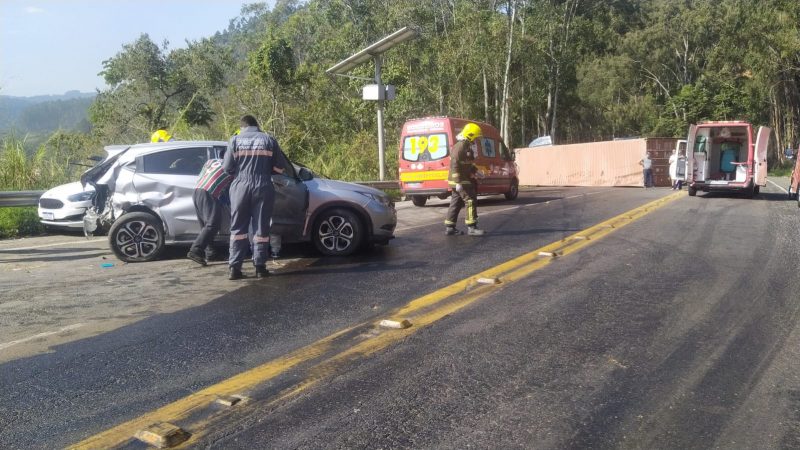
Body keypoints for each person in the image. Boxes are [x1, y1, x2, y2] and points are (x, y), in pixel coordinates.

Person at [223, 115, 285, 280]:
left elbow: (227, 168)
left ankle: (234, 269)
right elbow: (280, 168)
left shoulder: (234, 140)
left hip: (240, 186)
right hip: (263, 186)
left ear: (242, 127)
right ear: (257, 125)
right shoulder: (269, 140)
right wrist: (264, 171)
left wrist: (240, 172)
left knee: (238, 229)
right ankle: (260, 267)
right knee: (261, 228)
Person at [187, 157, 233, 266]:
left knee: (205, 225)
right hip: (209, 191)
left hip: (197, 190)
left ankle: (210, 253)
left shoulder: (212, 161)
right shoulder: (233, 165)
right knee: (213, 223)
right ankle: (195, 250)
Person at [444, 122, 485, 236]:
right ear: (470, 135)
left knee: (456, 202)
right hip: (460, 180)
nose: (476, 140)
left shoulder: (467, 146)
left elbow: (468, 164)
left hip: (462, 179)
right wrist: (458, 182)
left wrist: (476, 172)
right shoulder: (460, 147)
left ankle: (450, 227)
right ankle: (472, 227)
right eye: (475, 137)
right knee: (470, 200)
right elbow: (455, 164)